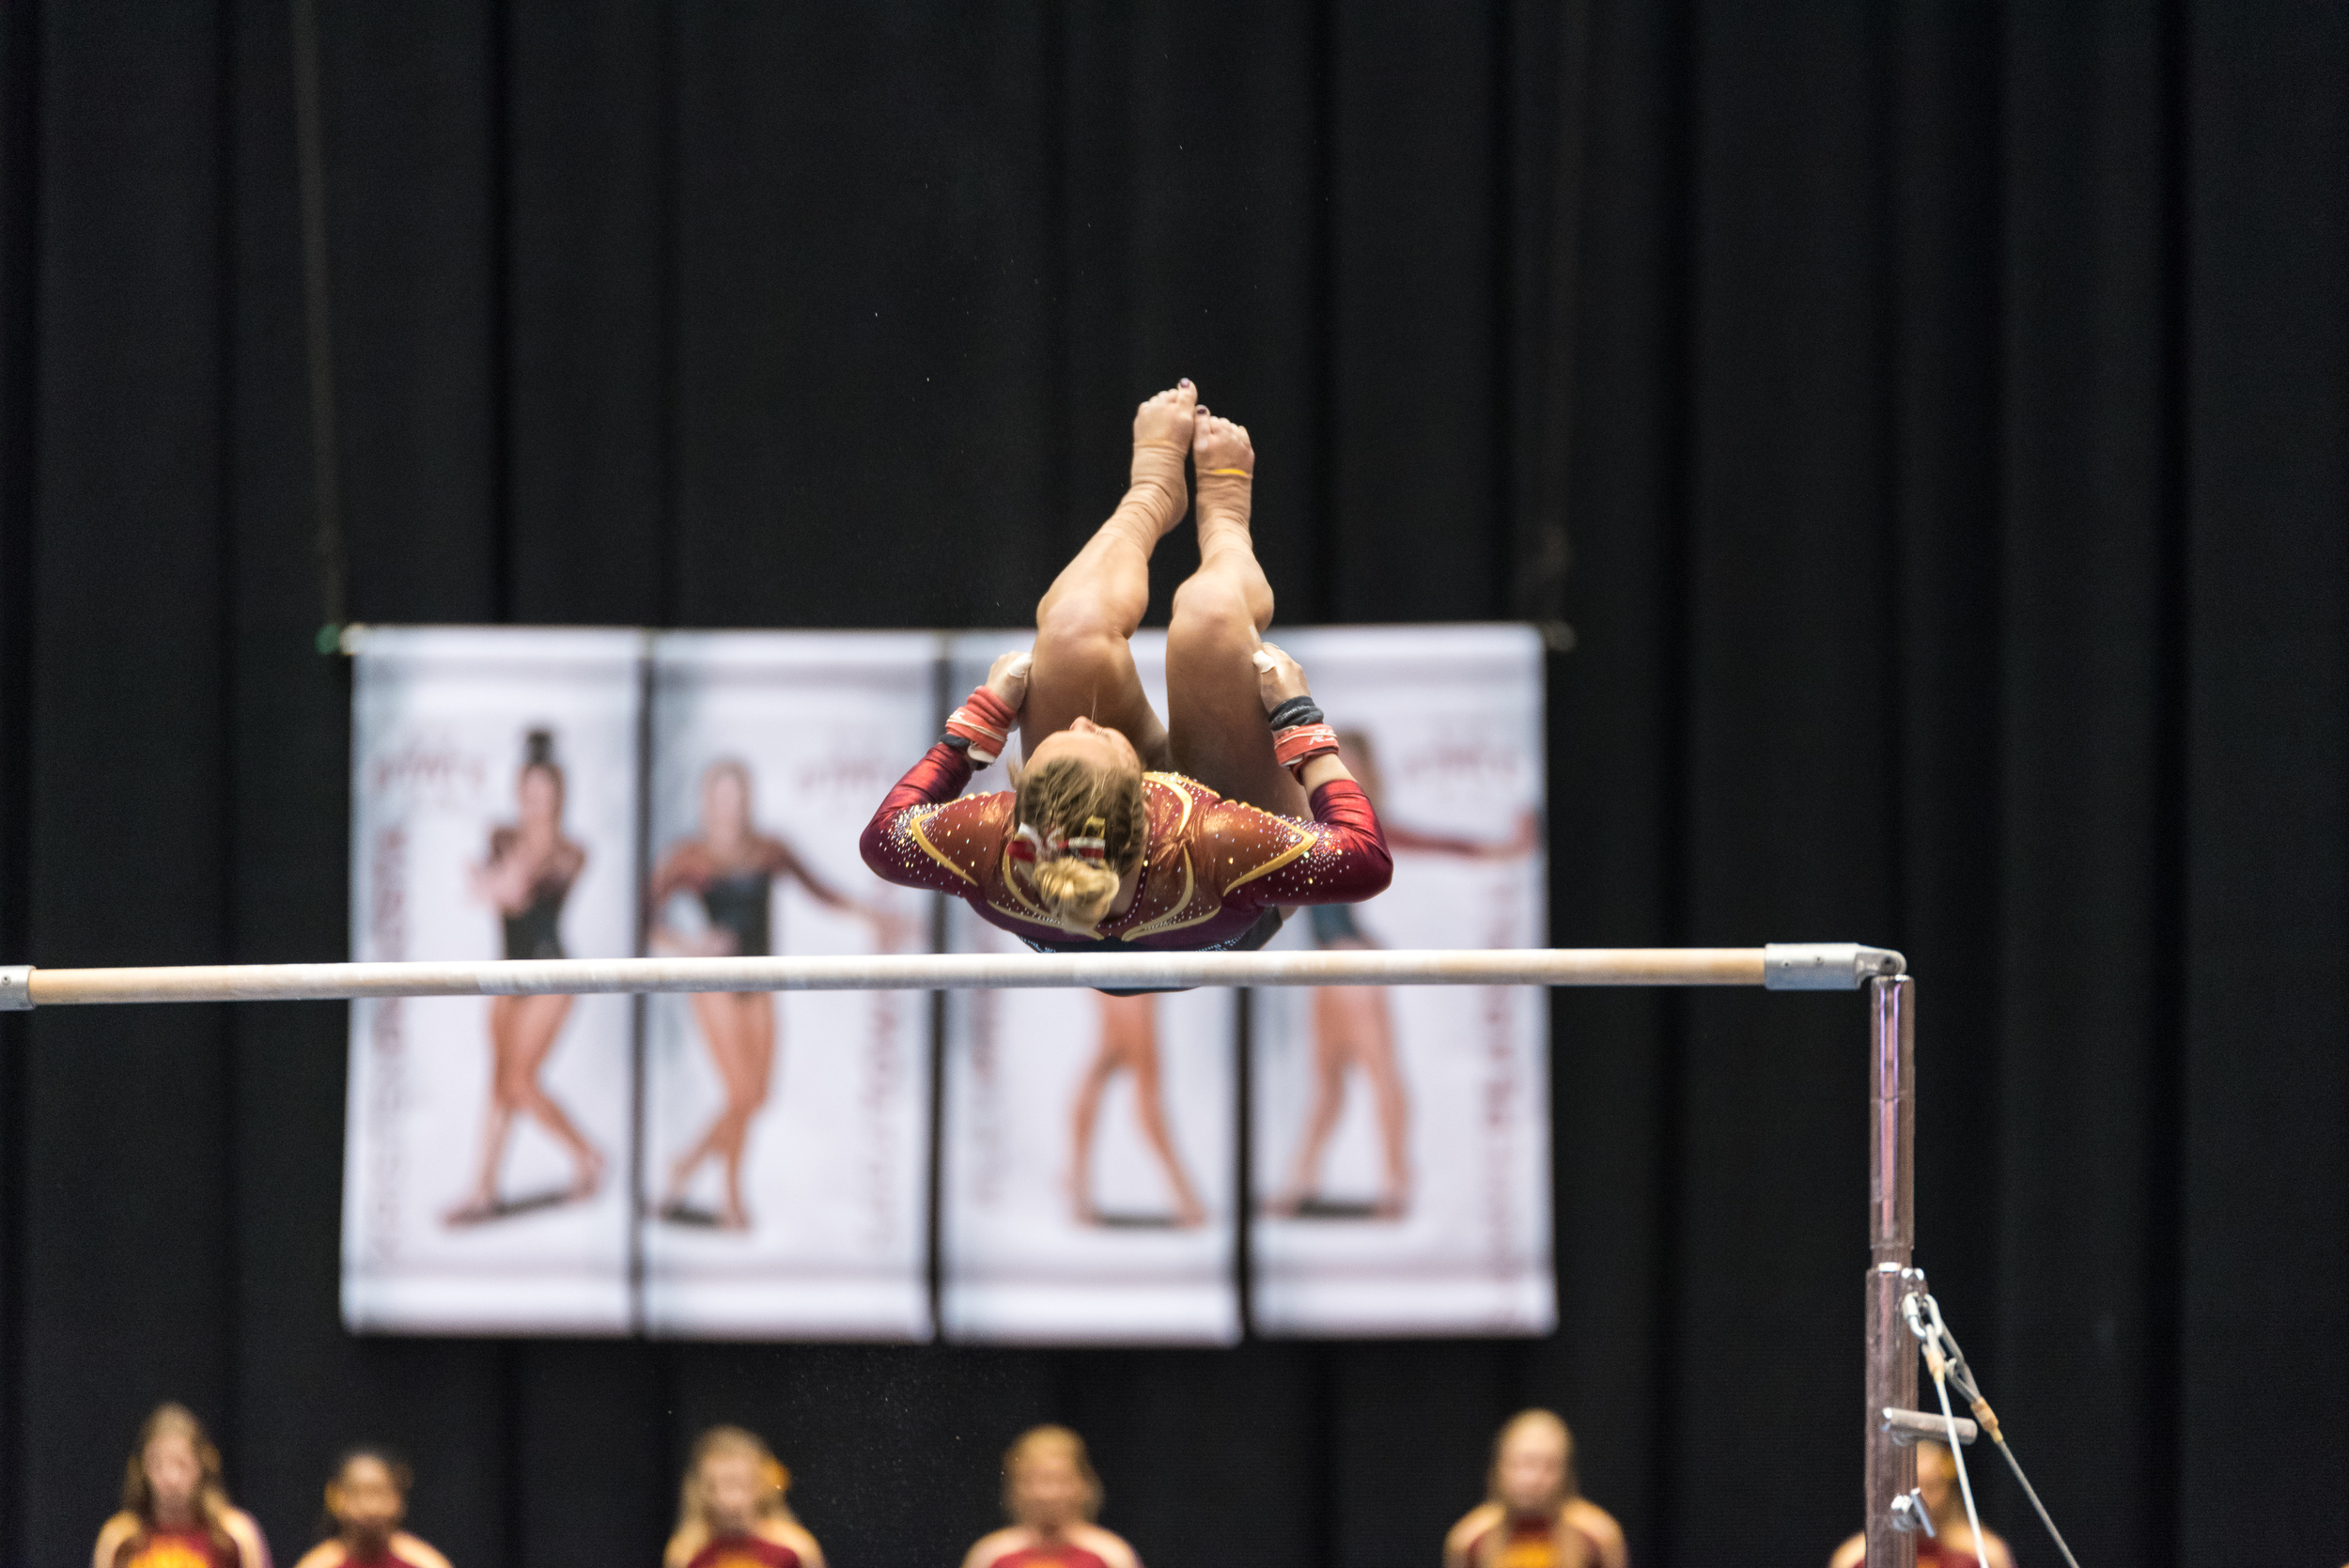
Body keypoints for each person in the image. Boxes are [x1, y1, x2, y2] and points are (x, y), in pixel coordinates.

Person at [860, 380, 1392, 961]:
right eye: (1101, 740)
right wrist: (1299, 720)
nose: (1082, 725)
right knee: (1211, 619)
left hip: (1161, 883)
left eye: (1061, 739)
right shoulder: (1213, 844)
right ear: (1146, 795)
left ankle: (1151, 494)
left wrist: (976, 726)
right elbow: (1364, 859)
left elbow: (883, 840)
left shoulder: (994, 840)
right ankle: (1225, 525)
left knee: (1070, 633)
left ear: (1020, 819)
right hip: (1223, 897)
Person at [1272, 732, 1541, 1220]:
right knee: (1328, 1086)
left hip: (1350, 959)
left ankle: (1396, 1184)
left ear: (1364, 778)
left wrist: (1504, 849)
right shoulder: (1308, 825)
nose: (1334, 783)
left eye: (1346, 772)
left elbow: (1436, 844)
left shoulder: (1360, 828)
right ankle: (1300, 1184)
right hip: (1325, 964)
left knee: (1379, 1072)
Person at [647, 759, 900, 1229]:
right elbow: (644, 916)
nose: (729, 809)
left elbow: (820, 891)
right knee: (740, 1092)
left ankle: (686, 1164)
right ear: (706, 803)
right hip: (715, 984)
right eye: (720, 800)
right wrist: (691, 944)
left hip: (761, 981)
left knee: (757, 1097)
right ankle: (729, 1197)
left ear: (748, 801)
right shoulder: (689, 857)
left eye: (737, 799)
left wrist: (874, 918)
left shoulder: (767, 850)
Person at [448, 727, 605, 1224]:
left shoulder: (571, 851)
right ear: (520, 792)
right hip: (506, 973)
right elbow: (481, 888)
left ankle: (587, 1154)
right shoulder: (502, 835)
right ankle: (483, 1187)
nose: (537, 803)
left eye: (547, 795)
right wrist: (491, 882)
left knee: (519, 1081)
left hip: (552, 974)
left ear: (559, 797)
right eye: (530, 793)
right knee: (499, 1083)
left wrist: (494, 882)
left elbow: (511, 892)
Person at [1070, 994, 1205, 1227]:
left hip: (1128, 961)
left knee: (1111, 1050)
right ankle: (1181, 1191)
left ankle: (1076, 1183)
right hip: (1130, 962)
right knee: (1143, 1068)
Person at [91, 1403, 272, 1568]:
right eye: (157, 1464)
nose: (170, 1477)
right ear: (142, 1469)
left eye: (181, 1463)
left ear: (202, 1465)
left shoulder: (234, 1536)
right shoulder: (121, 1539)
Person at [1442, 1409, 1628, 1568]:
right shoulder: (1470, 1540)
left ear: (1566, 1472)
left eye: (1548, 1465)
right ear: (1498, 1468)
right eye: (1523, 1464)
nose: (1533, 1478)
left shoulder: (1597, 1537)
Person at [960, 1425, 1141, 1568]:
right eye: (1033, 1480)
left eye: (1059, 1480)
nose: (1047, 1494)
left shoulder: (1111, 1555)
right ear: (1015, 1486)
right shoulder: (991, 1556)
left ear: (1083, 1484)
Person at [1827, 1440, 2012, 1568]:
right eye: (1911, 1488)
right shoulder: (1855, 1557)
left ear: (1948, 1489)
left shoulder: (1986, 1553)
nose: (1920, 1500)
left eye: (1931, 1486)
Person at [662, 1426, 826, 1568]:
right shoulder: (685, 1551)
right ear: (699, 1490)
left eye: (738, 1484)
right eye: (715, 1487)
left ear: (761, 1485)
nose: (728, 1498)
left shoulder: (796, 1547)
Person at [291, 1450, 449, 1568]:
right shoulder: (316, 1564)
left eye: (379, 1493)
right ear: (337, 1498)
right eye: (357, 1494)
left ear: (398, 1499)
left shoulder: (427, 1563)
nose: (370, 1507)